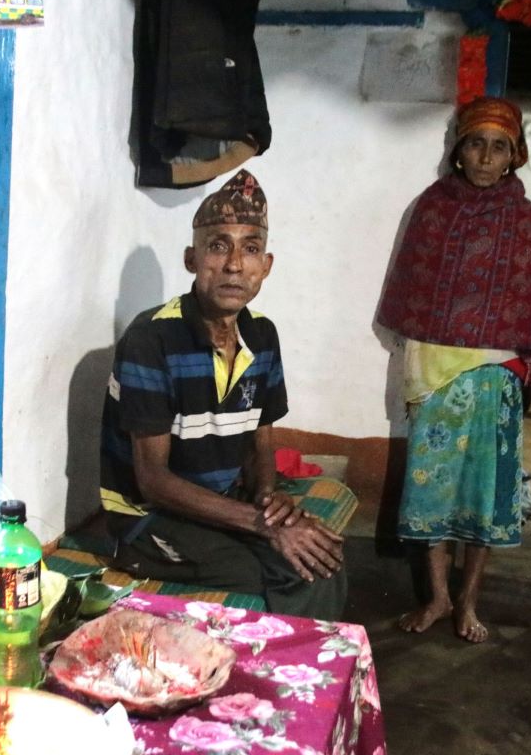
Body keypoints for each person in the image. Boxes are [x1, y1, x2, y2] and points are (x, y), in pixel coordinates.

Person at [100, 169, 347, 620]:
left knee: (320, 557)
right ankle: (285, 659)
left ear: (266, 266)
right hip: (148, 520)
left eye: (250, 249)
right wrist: (262, 525)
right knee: (276, 571)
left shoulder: (263, 336)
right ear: (191, 259)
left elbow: (259, 441)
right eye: (218, 246)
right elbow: (152, 481)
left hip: (222, 504)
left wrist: (269, 499)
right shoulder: (151, 339)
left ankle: (308, 660)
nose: (234, 264)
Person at [376, 97, 531, 642]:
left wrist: (522, 359)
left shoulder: (521, 215)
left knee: (486, 490)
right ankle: (436, 596)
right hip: (436, 371)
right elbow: (412, 289)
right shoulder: (433, 208)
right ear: (459, 149)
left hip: (495, 376)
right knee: (431, 487)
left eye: (499, 147)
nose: (485, 156)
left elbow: (530, 294)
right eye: (476, 143)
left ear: (513, 156)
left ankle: (468, 602)